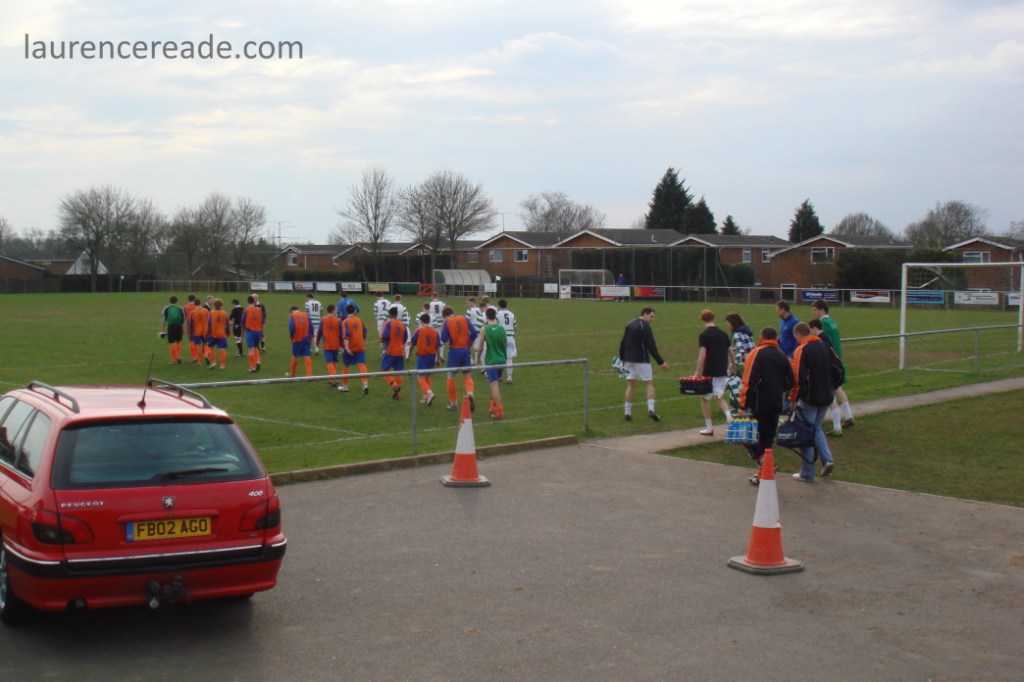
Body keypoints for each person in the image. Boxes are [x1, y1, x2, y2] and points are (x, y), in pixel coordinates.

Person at [738, 327, 795, 486]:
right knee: (767, 439)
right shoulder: (782, 355)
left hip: (758, 403)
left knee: (747, 435)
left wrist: (742, 406)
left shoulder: (756, 353)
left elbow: (749, 382)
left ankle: (765, 464)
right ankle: (763, 473)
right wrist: (778, 389)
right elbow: (791, 381)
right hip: (776, 402)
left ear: (761, 337)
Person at [789, 322, 837, 481]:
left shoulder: (802, 349)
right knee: (816, 428)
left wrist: (793, 399)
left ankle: (807, 472)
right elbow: (837, 367)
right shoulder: (824, 345)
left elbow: (798, 378)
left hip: (810, 397)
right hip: (827, 394)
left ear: (798, 335)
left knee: (805, 433)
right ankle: (827, 459)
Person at [811, 300, 855, 435]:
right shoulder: (832, 322)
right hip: (837, 358)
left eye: (815, 310)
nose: (814, 313)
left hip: (829, 361)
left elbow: (825, 343)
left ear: (821, 309)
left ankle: (837, 426)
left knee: (830, 391)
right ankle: (848, 416)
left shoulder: (823, 323)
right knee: (838, 389)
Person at [618, 307, 669, 422]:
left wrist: (622, 359)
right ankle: (651, 409)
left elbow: (623, 343)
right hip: (642, 360)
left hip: (629, 360)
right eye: (651, 316)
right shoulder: (645, 326)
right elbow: (651, 346)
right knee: (649, 383)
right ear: (645, 314)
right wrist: (661, 362)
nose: (653, 319)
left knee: (631, 385)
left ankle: (627, 412)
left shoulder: (630, 324)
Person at [694, 309, 734, 436]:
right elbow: (731, 351)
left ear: (702, 320)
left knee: (704, 398)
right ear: (714, 319)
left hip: (710, 371)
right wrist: (733, 365)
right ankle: (729, 418)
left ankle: (709, 428)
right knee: (719, 396)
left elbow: (702, 355)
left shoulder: (704, 335)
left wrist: (697, 372)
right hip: (722, 369)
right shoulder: (723, 334)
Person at [440, 306, 478, 410]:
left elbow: (444, 339)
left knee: (451, 376)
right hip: (465, 351)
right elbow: (474, 333)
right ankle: (470, 393)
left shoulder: (447, 322)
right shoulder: (465, 318)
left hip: (454, 351)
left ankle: (453, 403)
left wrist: (443, 328)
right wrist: (469, 343)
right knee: (467, 375)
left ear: (445, 316)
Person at [477, 307, 508, 420]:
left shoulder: (484, 329)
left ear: (486, 316)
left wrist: (477, 359)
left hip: (491, 360)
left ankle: (499, 411)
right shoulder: (502, 328)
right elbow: (505, 343)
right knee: (495, 384)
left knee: (494, 386)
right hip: (502, 359)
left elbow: (480, 347)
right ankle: (492, 406)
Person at [410, 312, 442, 405]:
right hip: (432, 356)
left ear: (421, 321)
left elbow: (412, 343)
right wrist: (438, 359)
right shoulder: (435, 332)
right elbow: (438, 347)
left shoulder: (419, 331)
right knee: (427, 376)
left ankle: (429, 393)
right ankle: (425, 397)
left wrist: (409, 353)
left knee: (420, 377)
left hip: (422, 356)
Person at [380, 306, 410, 399]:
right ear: (397, 315)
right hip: (400, 351)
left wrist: (382, 340)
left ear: (389, 314)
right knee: (399, 372)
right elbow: (405, 338)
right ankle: (397, 395)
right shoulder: (402, 325)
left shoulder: (389, 323)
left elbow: (385, 336)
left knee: (383, 370)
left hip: (390, 351)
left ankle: (394, 385)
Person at [340, 304, 370, 394]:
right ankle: (365, 384)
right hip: (360, 346)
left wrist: (347, 348)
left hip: (351, 347)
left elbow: (346, 336)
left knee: (346, 366)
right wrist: (362, 340)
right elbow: (365, 333)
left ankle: (345, 386)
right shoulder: (360, 320)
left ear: (346, 311)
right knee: (362, 365)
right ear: (354, 311)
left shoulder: (345, 322)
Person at [286, 306, 314, 377]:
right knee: (307, 355)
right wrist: (310, 337)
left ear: (291, 311)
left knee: (295, 356)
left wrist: (292, 337)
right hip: (306, 338)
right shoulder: (305, 314)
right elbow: (311, 327)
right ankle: (309, 375)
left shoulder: (292, 316)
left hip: (297, 338)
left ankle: (292, 374)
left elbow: (291, 328)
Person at [318, 304, 343, 383]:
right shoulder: (338, 321)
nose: (336, 311)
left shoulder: (323, 320)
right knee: (333, 362)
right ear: (333, 310)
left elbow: (319, 332)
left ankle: (333, 377)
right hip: (336, 344)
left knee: (329, 362)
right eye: (336, 309)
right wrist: (342, 344)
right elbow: (341, 334)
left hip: (327, 344)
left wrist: (317, 341)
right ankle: (332, 379)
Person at [241, 295, 264, 373]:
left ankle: (252, 367)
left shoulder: (246, 310)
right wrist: (262, 332)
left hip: (250, 332)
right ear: (254, 301)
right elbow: (262, 322)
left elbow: (242, 322)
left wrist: (242, 332)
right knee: (256, 347)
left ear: (247, 302)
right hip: (258, 331)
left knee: (250, 350)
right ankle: (258, 361)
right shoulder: (259, 310)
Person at [496, 299, 517, 384]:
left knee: (499, 357)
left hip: (501, 337)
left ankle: (500, 376)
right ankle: (509, 377)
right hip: (510, 337)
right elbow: (515, 327)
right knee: (509, 358)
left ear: (499, 305)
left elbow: (495, 326)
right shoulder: (512, 314)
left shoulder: (497, 314)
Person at [206, 298, 231, 370]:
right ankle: (222, 365)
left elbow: (209, 324)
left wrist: (208, 333)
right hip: (222, 334)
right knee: (222, 349)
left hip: (213, 333)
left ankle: (213, 362)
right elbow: (227, 324)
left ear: (214, 305)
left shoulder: (211, 313)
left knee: (210, 347)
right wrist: (228, 333)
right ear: (221, 305)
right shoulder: (224, 313)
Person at [160, 296, 185, 364]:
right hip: (179, 327)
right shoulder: (180, 308)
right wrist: (183, 329)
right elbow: (182, 320)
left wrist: (162, 331)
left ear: (170, 301)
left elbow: (163, 320)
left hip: (171, 327)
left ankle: (174, 360)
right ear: (176, 301)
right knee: (178, 341)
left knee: (172, 343)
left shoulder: (166, 308)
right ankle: (178, 356)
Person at [188, 300, 212, 366]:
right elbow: (209, 321)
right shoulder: (206, 311)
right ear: (200, 304)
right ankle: (206, 354)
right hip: (205, 330)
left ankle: (199, 362)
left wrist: (190, 332)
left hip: (196, 331)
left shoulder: (192, 312)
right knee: (206, 343)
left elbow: (191, 324)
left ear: (195, 304)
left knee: (197, 345)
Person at [183, 294, 199, 363]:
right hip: (198, 325)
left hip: (190, 325)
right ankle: (198, 356)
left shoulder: (185, 307)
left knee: (191, 340)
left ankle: (194, 356)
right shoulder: (197, 306)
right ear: (194, 299)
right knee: (197, 341)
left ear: (188, 299)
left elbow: (184, 317)